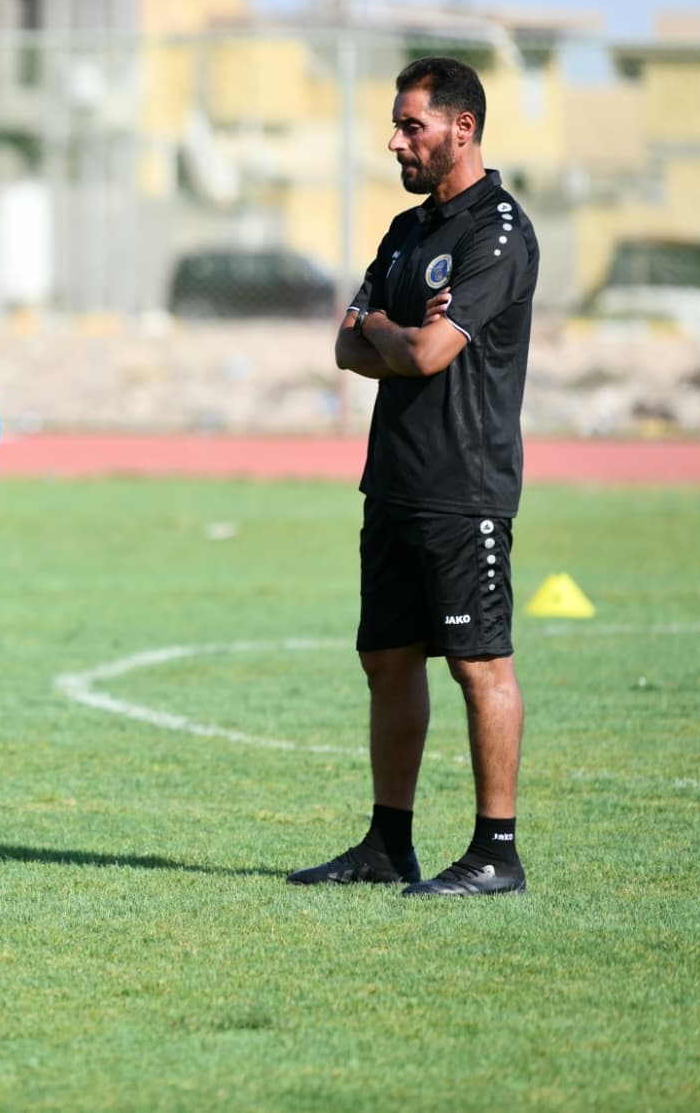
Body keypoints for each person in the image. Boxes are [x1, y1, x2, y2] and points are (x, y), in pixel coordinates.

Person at [288, 56, 539, 896]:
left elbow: (428, 352)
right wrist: (396, 330)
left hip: (463, 486)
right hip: (392, 479)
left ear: (461, 129)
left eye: (411, 125)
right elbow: (345, 343)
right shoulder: (406, 230)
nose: (396, 140)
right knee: (388, 660)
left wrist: (385, 331)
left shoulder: (497, 231)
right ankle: (387, 844)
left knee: (479, 665)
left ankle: (496, 852)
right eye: (397, 125)